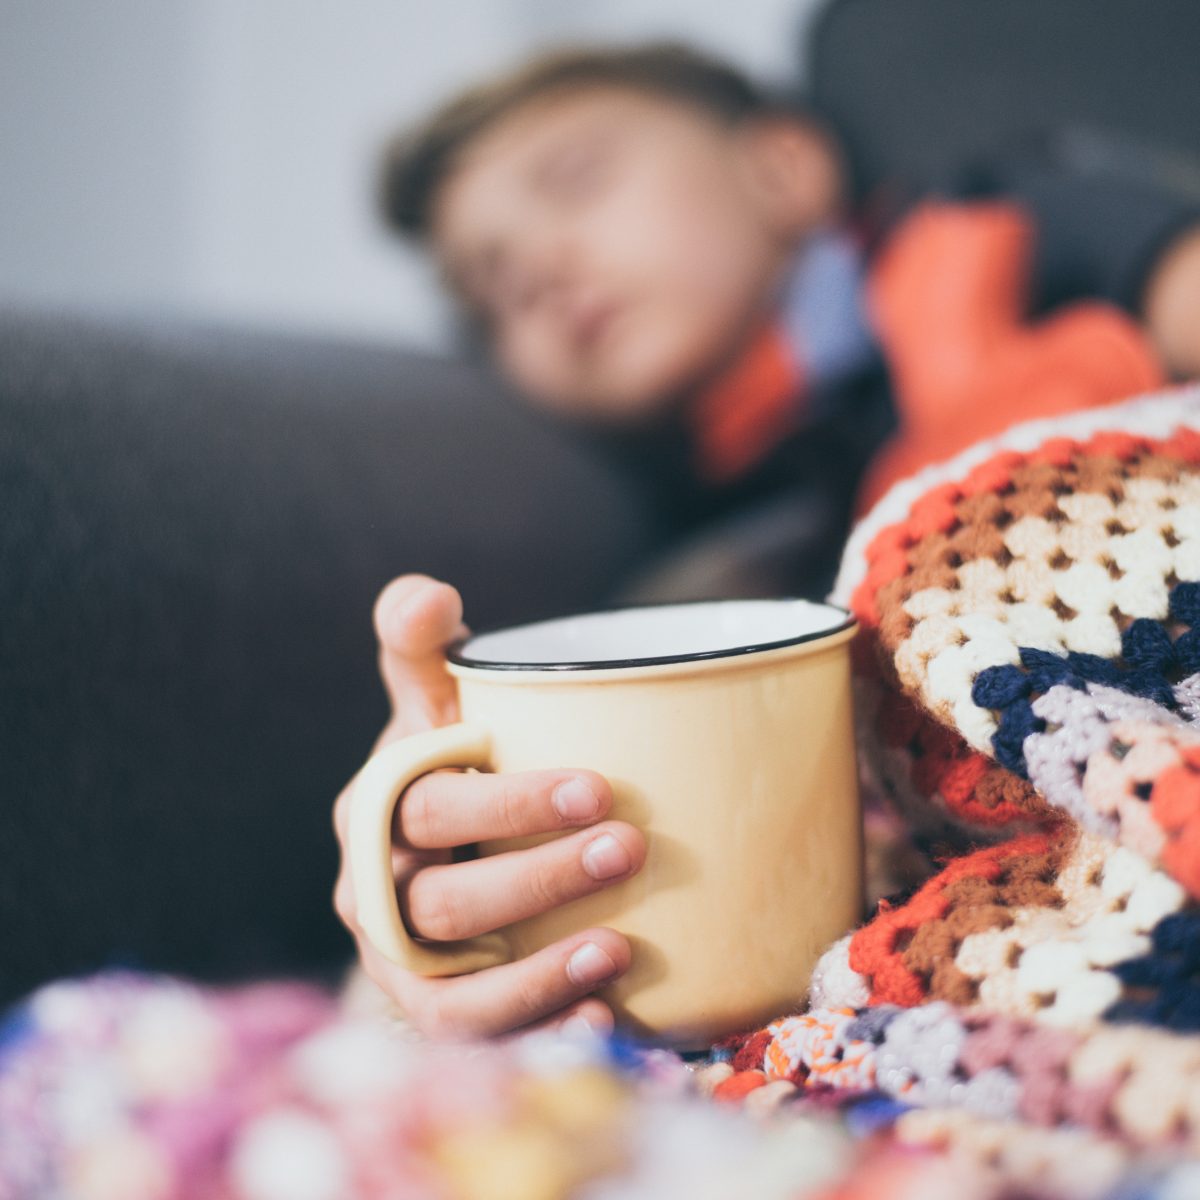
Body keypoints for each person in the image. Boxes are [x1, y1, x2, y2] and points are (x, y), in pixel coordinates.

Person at [333, 43, 1200, 1041]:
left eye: (575, 181)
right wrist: (437, 860)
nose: (534, 270)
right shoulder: (712, 555)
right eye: (490, 293)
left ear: (782, 169)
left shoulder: (992, 226)